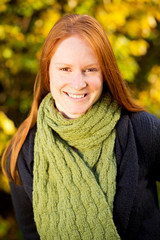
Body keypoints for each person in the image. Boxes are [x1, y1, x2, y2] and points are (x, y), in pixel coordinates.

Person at [1, 14, 160, 240]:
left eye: (90, 69)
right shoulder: (22, 152)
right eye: (65, 69)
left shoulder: (141, 131)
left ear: (105, 73)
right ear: (47, 71)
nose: (78, 83)